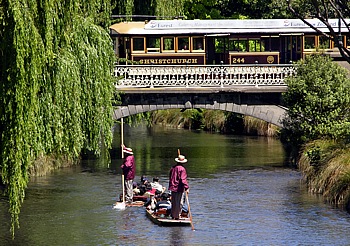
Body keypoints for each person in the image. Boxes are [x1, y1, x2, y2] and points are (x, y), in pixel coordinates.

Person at [168, 154, 189, 220]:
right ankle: (177, 216)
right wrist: (186, 187)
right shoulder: (182, 169)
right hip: (179, 187)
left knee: (174, 202)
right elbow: (183, 179)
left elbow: (170, 177)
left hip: (173, 187)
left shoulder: (173, 168)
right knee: (180, 202)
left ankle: (173, 215)